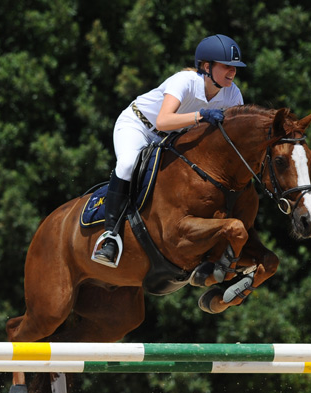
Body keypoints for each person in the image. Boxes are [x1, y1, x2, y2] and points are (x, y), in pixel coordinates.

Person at [92, 34, 246, 267]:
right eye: (226, 66)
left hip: (171, 138)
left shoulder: (233, 94)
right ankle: (110, 236)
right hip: (139, 126)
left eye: (234, 67)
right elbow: (163, 121)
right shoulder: (185, 81)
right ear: (207, 67)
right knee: (127, 164)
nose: (232, 72)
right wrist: (201, 115)